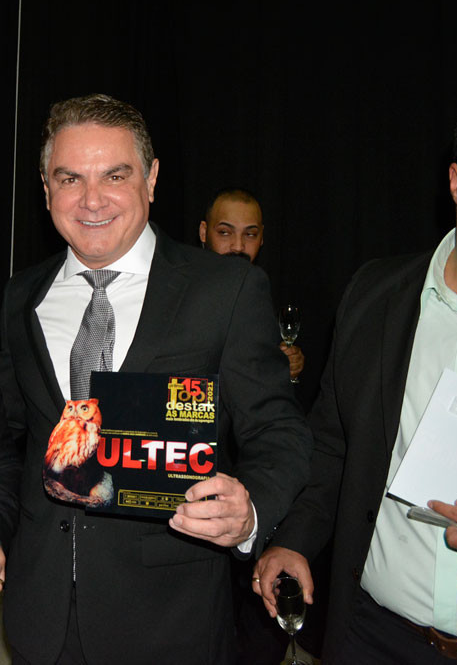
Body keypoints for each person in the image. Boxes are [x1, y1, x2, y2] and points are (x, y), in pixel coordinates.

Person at [0, 93, 312, 665]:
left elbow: (280, 433)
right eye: (69, 178)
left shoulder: (226, 292)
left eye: (115, 175)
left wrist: (249, 513)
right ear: (45, 189)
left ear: (151, 179)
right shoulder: (21, 299)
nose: (91, 199)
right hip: (39, 619)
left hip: (170, 624)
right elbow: (8, 443)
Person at [253, 86, 457, 664]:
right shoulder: (376, 294)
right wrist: (294, 540)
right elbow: (333, 446)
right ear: (456, 181)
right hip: (369, 636)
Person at [199, 188, 305, 381]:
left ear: (262, 237)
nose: (238, 246)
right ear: (204, 232)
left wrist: (286, 366)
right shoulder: (179, 293)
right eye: (225, 233)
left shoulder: (264, 296)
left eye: (250, 234)